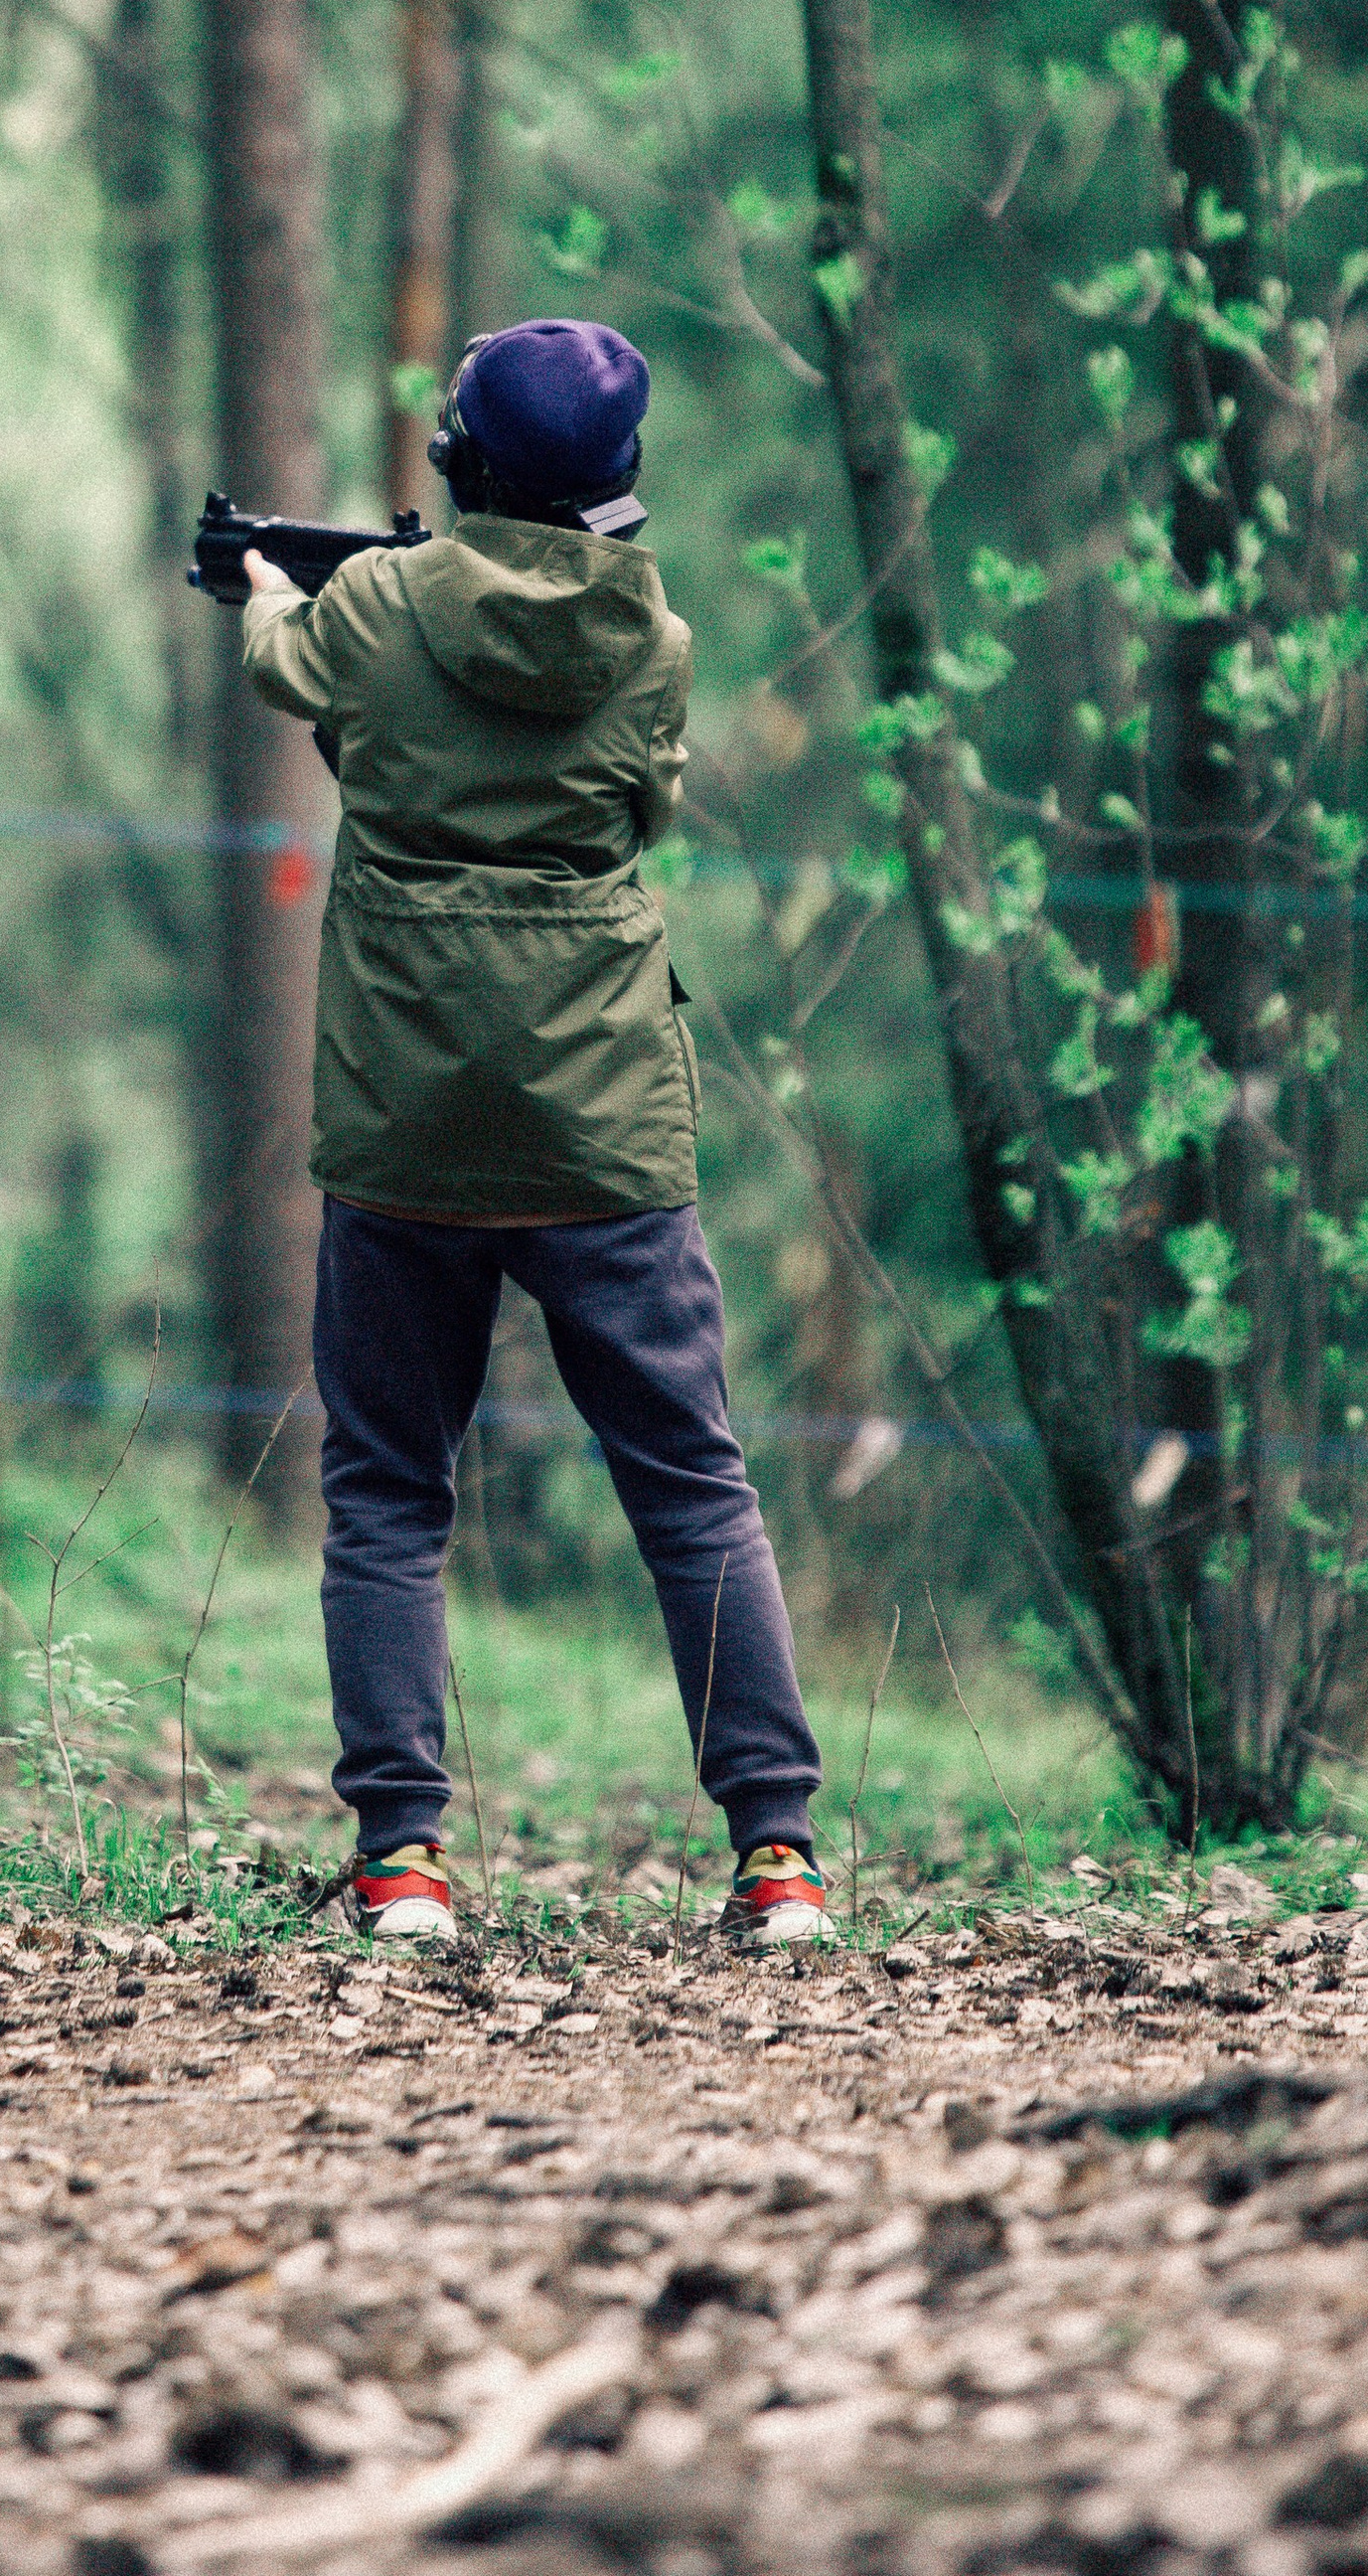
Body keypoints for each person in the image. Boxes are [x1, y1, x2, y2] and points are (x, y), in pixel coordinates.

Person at [239, 316, 828, 1951]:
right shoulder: (660, 642)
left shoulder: (365, 612)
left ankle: (405, 1864)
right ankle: (778, 1858)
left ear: (463, 466)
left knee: (385, 1494)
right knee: (695, 1491)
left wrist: (280, 590)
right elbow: (636, 811)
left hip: (408, 1121)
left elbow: (296, 673)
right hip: (604, 1129)